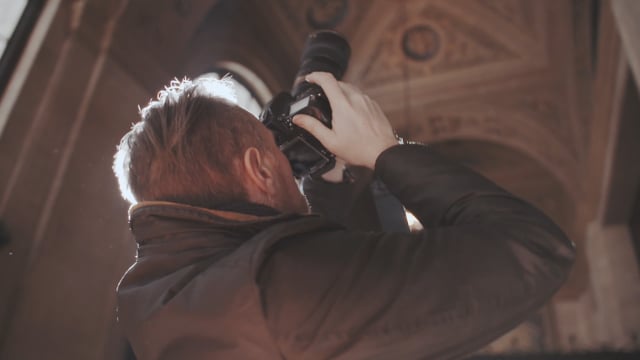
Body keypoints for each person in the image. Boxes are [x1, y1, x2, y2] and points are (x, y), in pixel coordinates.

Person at [113, 72, 575, 359]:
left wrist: (330, 179)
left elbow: (325, 273)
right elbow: (535, 248)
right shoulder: (290, 294)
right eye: (274, 152)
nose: (286, 168)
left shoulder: (158, 292)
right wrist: (384, 152)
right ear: (257, 169)